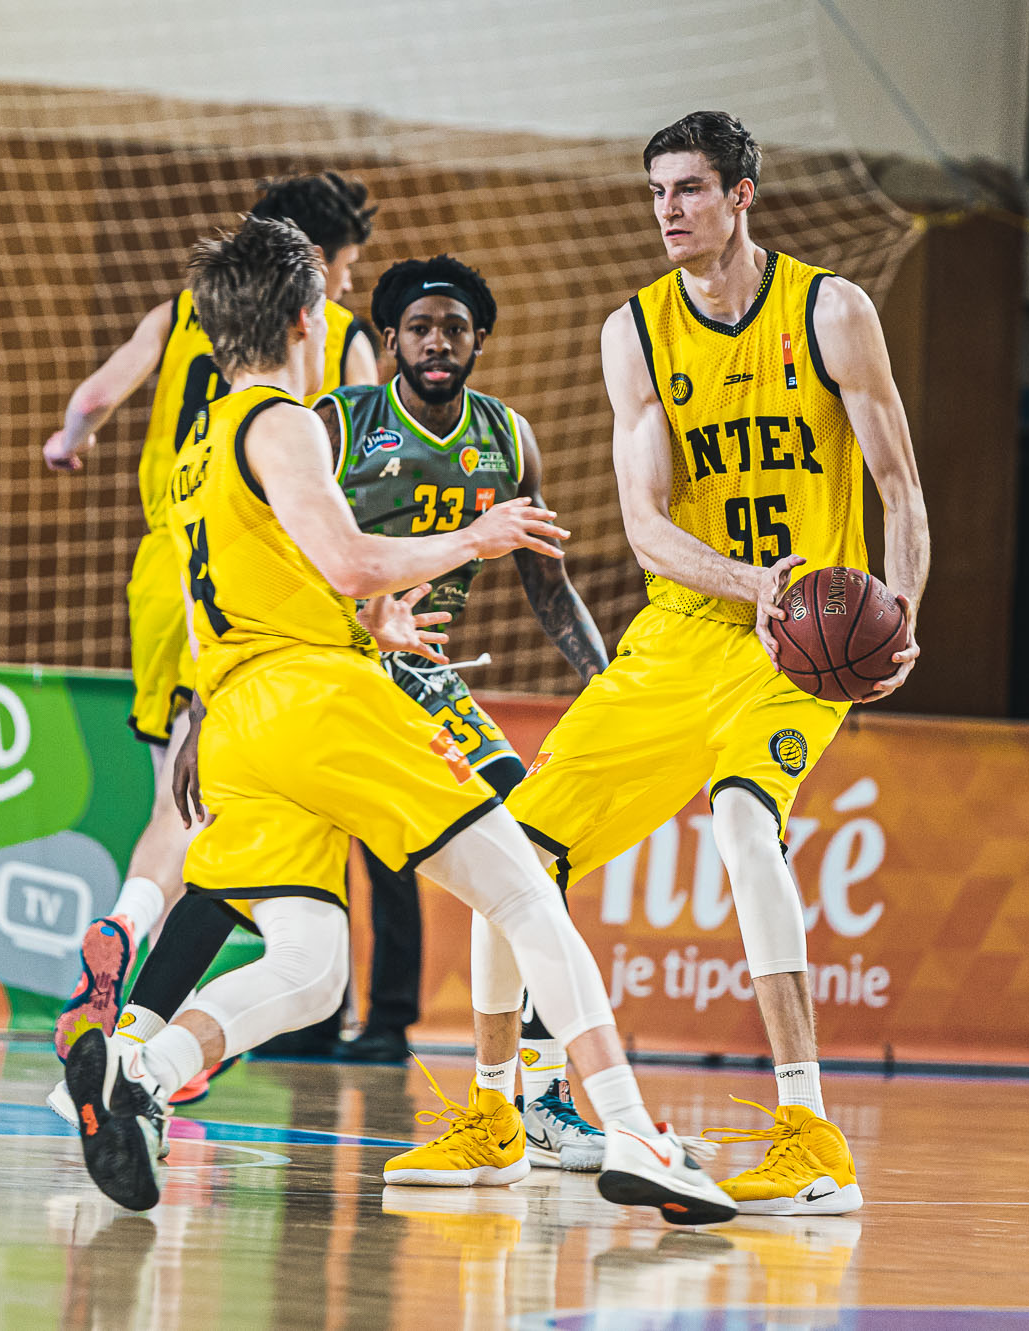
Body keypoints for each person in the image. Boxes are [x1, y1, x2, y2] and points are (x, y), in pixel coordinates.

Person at [63, 215, 733, 1228]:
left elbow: (264, 587)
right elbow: (349, 560)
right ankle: (633, 1132)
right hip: (317, 704)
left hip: (238, 716)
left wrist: (366, 622)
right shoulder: (287, 420)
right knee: (527, 891)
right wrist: (478, 534)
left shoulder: (200, 446)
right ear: (308, 319)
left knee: (308, 966)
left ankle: (137, 1069)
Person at [503, 111, 930, 1216]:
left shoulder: (831, 311)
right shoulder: (635, 333)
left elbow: (898, 488)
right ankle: (519, 1105)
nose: (668, 211)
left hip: (800, 643)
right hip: (685, 629)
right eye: (656, 192)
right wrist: (752, 582)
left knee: (743, 821)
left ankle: (809, 1135)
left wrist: (900, 614)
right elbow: (644, 528)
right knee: (515, 846)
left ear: (741, 195)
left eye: (689, 189)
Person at [40, 172, 378, 1076]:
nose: (347, 286)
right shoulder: (333, 336)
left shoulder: (184, 309)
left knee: (180, 798)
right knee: (226, 814)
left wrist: (68, 444)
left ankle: (128, 936)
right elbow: (364, 473)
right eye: (343, 268)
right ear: (308, 269)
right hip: (268, 582)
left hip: (170, 568)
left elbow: (93, 396)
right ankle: (166, 1032)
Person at [318, 256, 610, 1172]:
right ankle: (143, 1045)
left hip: (425, 678)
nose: (437, 342)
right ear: (391, 340)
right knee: (246, 888)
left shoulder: (508, 439)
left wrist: (610, 689)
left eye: (454, 327)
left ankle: (539, 1093)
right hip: (326, 667)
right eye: (420, 327)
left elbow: (549, 588)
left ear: (478, 340)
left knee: (535, 842)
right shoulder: (339, 423)